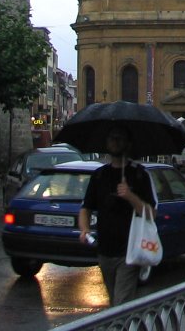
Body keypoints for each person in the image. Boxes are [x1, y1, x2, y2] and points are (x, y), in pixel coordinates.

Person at [78, 127, 157, 307]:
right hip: (104, 251)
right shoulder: (99, 175)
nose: (115, 142)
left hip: (130, 251)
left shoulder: (140, 174)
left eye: (120, 138)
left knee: (121, 304)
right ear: (106, 143)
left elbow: (152, 213)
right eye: (112, 138)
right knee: (115, 302)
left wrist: (130, 196)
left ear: (128, 144)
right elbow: (86, 208)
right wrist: (84, 229)